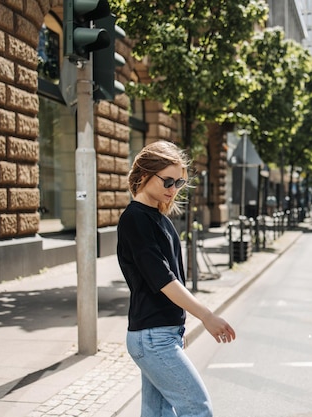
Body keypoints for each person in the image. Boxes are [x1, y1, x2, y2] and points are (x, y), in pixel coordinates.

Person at [117, 140, 236, 417]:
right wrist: (206, 316)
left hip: (161, 334)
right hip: (152, 337)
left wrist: (176, 328)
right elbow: (164, 279)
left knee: (157, 413)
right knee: (197, 408)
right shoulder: (135, 219)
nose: (173, 190)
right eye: (168, 182)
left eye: (179, 184)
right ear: (145, 175)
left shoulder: (159, 219)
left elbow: (171, 279)